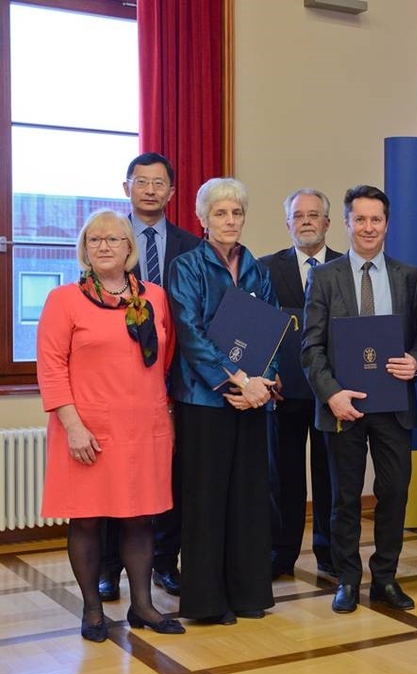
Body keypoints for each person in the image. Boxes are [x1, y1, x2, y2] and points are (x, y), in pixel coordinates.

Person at [37, 209, 185, 641]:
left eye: (113, 239)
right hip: (86, 431)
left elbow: (166, 359)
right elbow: (50, 367)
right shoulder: (64, 299)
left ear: (129, 247)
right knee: (86, 520)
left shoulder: (154, 297)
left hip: (145, 427)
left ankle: (143, 606)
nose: (104, 246)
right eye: (95, 240)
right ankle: (93, 610)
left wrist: (168, 418)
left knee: (140, 519)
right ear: (85, 250)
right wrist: (72, 424)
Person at [302, 185, 417, 614]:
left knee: (394, 492)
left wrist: (416, 361)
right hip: (344, 408)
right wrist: (331, 393)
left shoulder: (408, 275)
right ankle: (348, 579)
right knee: (345, 498)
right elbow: (310, 346)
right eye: (361, 219)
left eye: (376, 219)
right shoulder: (325, 276)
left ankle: (386, 578)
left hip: (394, 406)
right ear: (348, 223)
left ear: (387, 224)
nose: (368, 227)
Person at [166, 177, 277, 624]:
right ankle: (208, 604)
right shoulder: (186, 267)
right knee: (205, 500)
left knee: (249, 499)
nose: (230, 221)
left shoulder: (257, 268)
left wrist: (262, 384)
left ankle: (248, 595)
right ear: (202, 219)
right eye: (220, 213)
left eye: (236, 213)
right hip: (204, 401)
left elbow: (270, 331)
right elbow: (189, 334)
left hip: (250, 400)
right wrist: (234, 380)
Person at [98, 152, 201, 602]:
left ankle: (164, 562)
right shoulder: (107, 241)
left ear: (172, 193)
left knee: (169, 476)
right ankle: (108, 568)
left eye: (160, 183)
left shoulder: (191, 245)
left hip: (180, 376)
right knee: (114, 476)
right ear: (127, 188)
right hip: (119, 385)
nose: (151, 190)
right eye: (142, 182)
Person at [261, 189, 342, 580]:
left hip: (332, 393)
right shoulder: (265, 269)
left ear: (328, 223)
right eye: (299, 215)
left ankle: (328, 550)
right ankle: (282, 552)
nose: (307, 221)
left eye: (315, 215)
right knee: (284, 476)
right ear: (288, 223)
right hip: (282, 392)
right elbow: (255, 330)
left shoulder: (346, 267)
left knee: (330, 474)